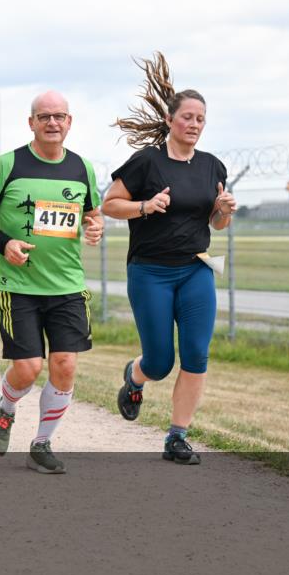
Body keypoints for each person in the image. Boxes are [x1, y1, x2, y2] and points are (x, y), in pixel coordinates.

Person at [101, 52, 237, 465]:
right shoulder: (147, 162)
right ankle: (136, 376)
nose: (194, 125)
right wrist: (145, 206)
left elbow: (216, 224)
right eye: (187, 117)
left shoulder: (212, 165)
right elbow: (110, 204)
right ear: (170, 121)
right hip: (150, 272)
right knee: (160, 361)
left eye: (200, 119)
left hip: (196, 269)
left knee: (196, 354)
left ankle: (177, 436)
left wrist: (225, 210)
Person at [0, 91, 104, 474]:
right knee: (27, 368)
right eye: (44, 116)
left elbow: (93, 214)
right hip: (19, 286)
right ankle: (6, 408)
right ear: (31, 123)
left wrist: (96, 227)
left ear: (69, 122)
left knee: (64, 365)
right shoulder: (8, 164)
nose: (52, 123)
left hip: (68, 286)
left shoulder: (82, 169)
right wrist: (3, 242)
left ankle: (42, 443)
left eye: (59, 116)